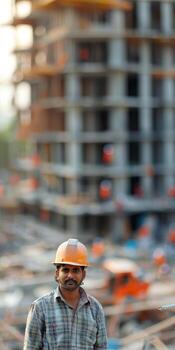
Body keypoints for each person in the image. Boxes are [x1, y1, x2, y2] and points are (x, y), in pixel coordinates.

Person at [23, 238, 107, 349]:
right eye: (65, 270)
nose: (70, 275)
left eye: (75, 270)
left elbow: (101, 347)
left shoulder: (95, 309)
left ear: (83, 275)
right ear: (57, 273)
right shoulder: (40, 308)